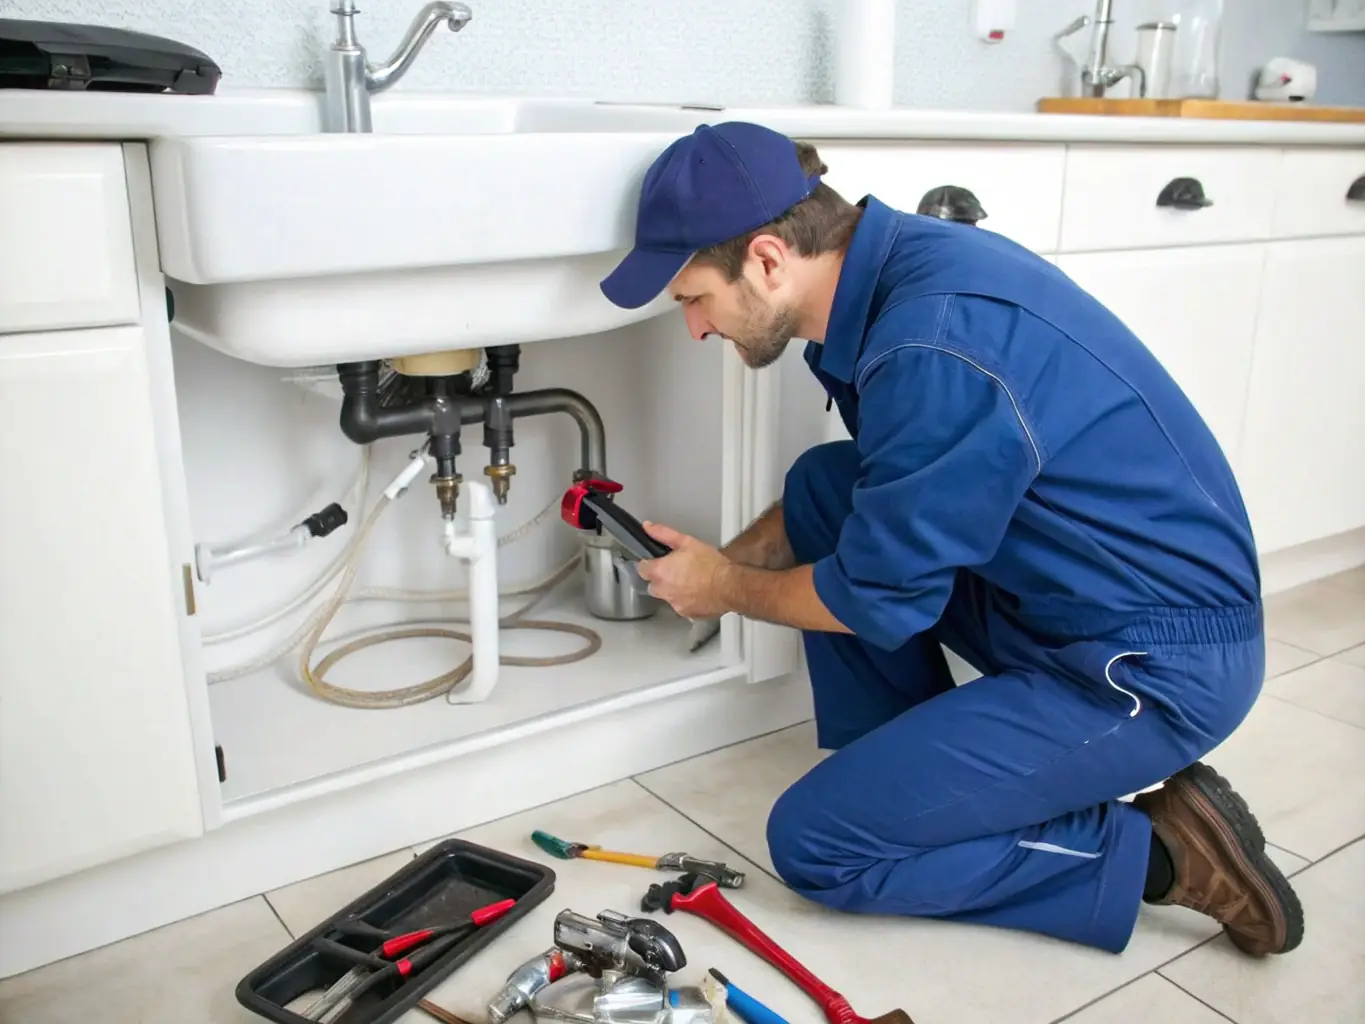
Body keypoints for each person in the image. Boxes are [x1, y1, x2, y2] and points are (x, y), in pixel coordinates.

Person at [597, 121, 1304, 958]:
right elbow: (887, 498)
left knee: (818, 845)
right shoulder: (897, 270)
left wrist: (723, 591)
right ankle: (912, 782)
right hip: (1068, 596)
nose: (694, 328)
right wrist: (728, 563)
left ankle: (1167, 856)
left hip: (1151, 662)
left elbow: (871, 599)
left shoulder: (931, 342)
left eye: (692, 298)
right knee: (826, 485)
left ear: (766, 259)